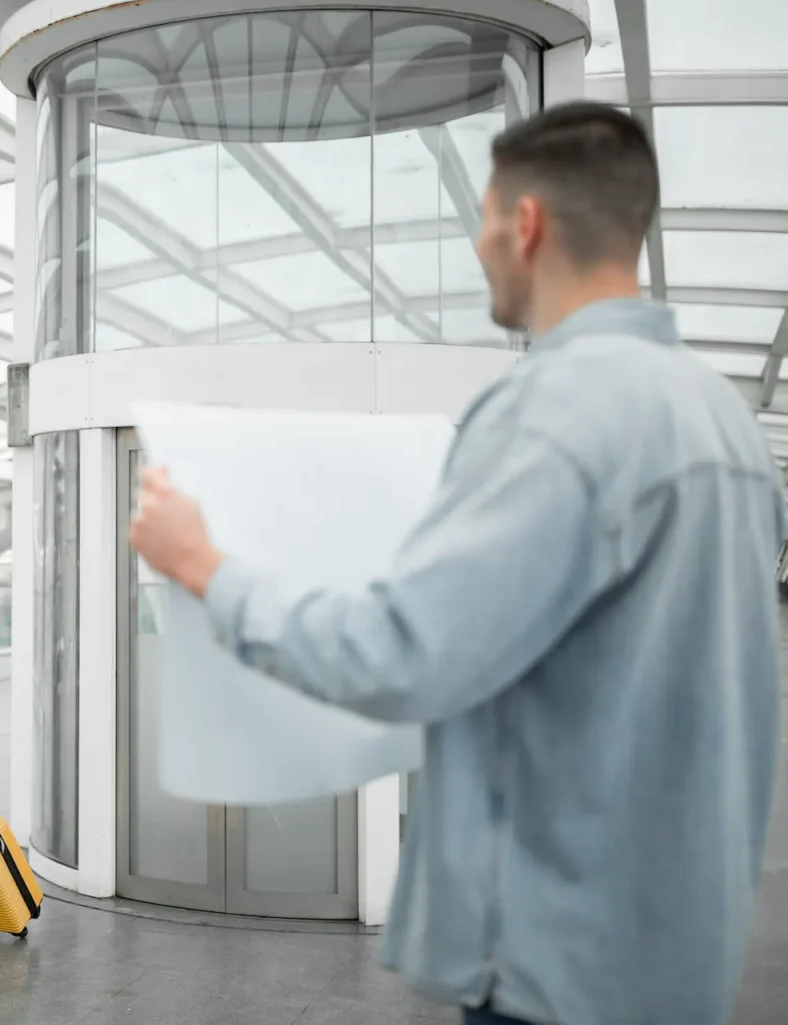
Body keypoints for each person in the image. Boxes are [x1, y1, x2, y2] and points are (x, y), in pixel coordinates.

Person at [129, 102, 783, 1025]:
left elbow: (404, 654)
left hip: (559, 967)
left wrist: (204, 566)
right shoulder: (724, 423)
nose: (477, 244)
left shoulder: (555, 411)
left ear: (526, 224)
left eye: (482, 218)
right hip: (674, 952)